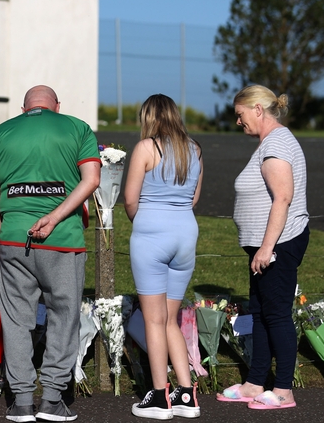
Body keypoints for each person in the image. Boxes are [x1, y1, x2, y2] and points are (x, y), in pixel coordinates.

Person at [0, 85, 101, 422]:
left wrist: (1, 234)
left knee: (16, 319)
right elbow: (91, 180)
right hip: (63, 240)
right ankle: (51, 400)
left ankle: (20, 401)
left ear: (24, 107)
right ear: (56, 106)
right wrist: (56, 217)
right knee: (64, 316)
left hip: (15, 239)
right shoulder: (77, 128)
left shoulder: (1, 133)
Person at [215, 85, 309, 410]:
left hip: (278, 245)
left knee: (277, 315)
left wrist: (267, 247)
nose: (238, 122)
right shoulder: (271, 142)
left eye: (240, 115)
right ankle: (255, 383)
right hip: (266, 247)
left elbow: (283, 197)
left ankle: (283, 391)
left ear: (257, 109)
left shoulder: (278, 142)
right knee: (260, 314)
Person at [124, 94, 203, 420]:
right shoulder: (194, 149)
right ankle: (186, 394)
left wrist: (143, 223)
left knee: (153, 319)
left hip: (152, 236)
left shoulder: (146, 148)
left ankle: (159, 396)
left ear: (149, 117)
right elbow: (194, 198)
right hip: (186, 234)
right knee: (170, 319)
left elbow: (130, 199)